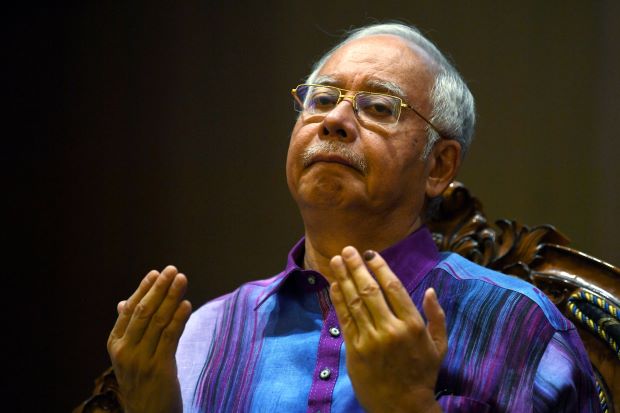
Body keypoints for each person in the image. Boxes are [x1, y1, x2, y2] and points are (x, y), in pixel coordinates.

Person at [104, 23, 600, 412]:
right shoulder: (204, 335)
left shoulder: (517, 326)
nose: (335, 120)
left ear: (438, 166)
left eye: (379, 107)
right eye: (321, 99)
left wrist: (408, 406)